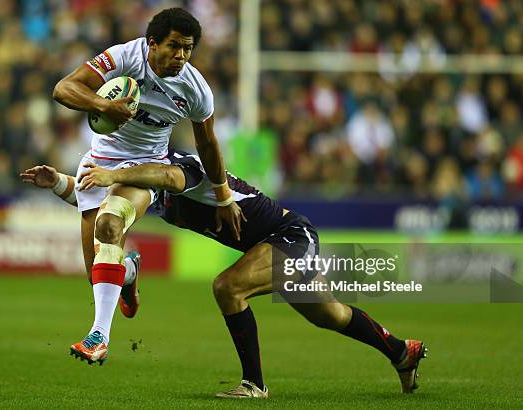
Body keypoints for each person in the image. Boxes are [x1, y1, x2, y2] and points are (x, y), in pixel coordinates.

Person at [21, 150, 427, 398]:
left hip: (290, 236)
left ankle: (254, 384)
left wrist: (115, 176)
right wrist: (58, 182)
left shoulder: (184, 168)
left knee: (228, 287)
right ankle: (400, 351)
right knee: (330, 315)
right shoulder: (145, 181)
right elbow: (98, 193)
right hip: (266, 244)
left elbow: (164, 178)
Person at [51, 8, 245, 365]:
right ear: (152, 43)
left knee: (108, 224)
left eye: (188, 49)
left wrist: (223, 197)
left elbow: (208, 146)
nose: (181, 56)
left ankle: (99, 338)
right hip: (98, 161)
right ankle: (128, 272)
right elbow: (64, 88)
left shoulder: (195, 88)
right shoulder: (125, 57)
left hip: (144, 169)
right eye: (174, 46)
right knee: (97, 267)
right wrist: (102, 104)